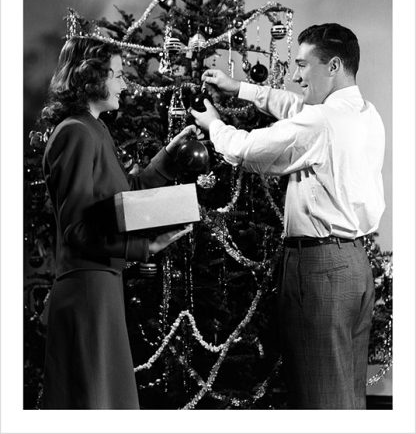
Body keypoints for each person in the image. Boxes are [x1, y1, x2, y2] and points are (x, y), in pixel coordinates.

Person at [191, 23, 385, 409]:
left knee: (320, 399)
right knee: (347, 394)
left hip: (319, 269)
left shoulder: (322, 122)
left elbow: (247, 149)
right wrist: (241, 89)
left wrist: (214, 125)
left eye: (302, 65)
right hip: (355, 267)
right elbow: (299, 109)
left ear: (332, 66)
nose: (296, 76)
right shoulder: (364, 113)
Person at [40, 36, 197, 409]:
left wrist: (168, 158)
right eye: (118, 75)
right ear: (91, 78)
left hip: (100, 287)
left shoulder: (94, 129)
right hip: (86, 293)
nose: (125, 84)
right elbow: (77, 230)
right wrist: (146, 248)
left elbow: (122, 199)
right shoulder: (76, 132)